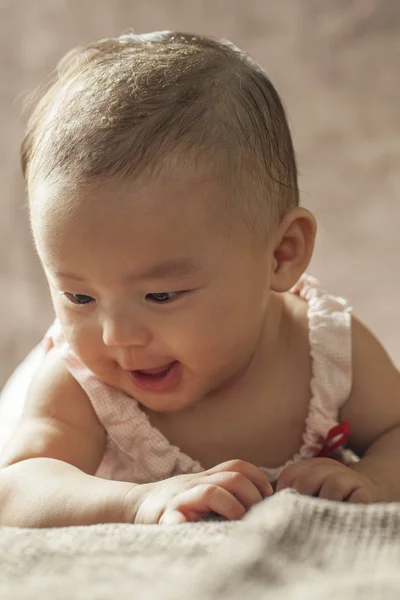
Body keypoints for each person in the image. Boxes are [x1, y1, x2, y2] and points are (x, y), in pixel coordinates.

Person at [0, 31, 399, 528]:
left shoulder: (325, 350)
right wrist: (136, 501)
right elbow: (17, 490)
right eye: (78, 295)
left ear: (281, 254)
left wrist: (380, 477)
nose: (116, 335)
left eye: (160, 295)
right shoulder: (83, 381)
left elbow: (394, 431)